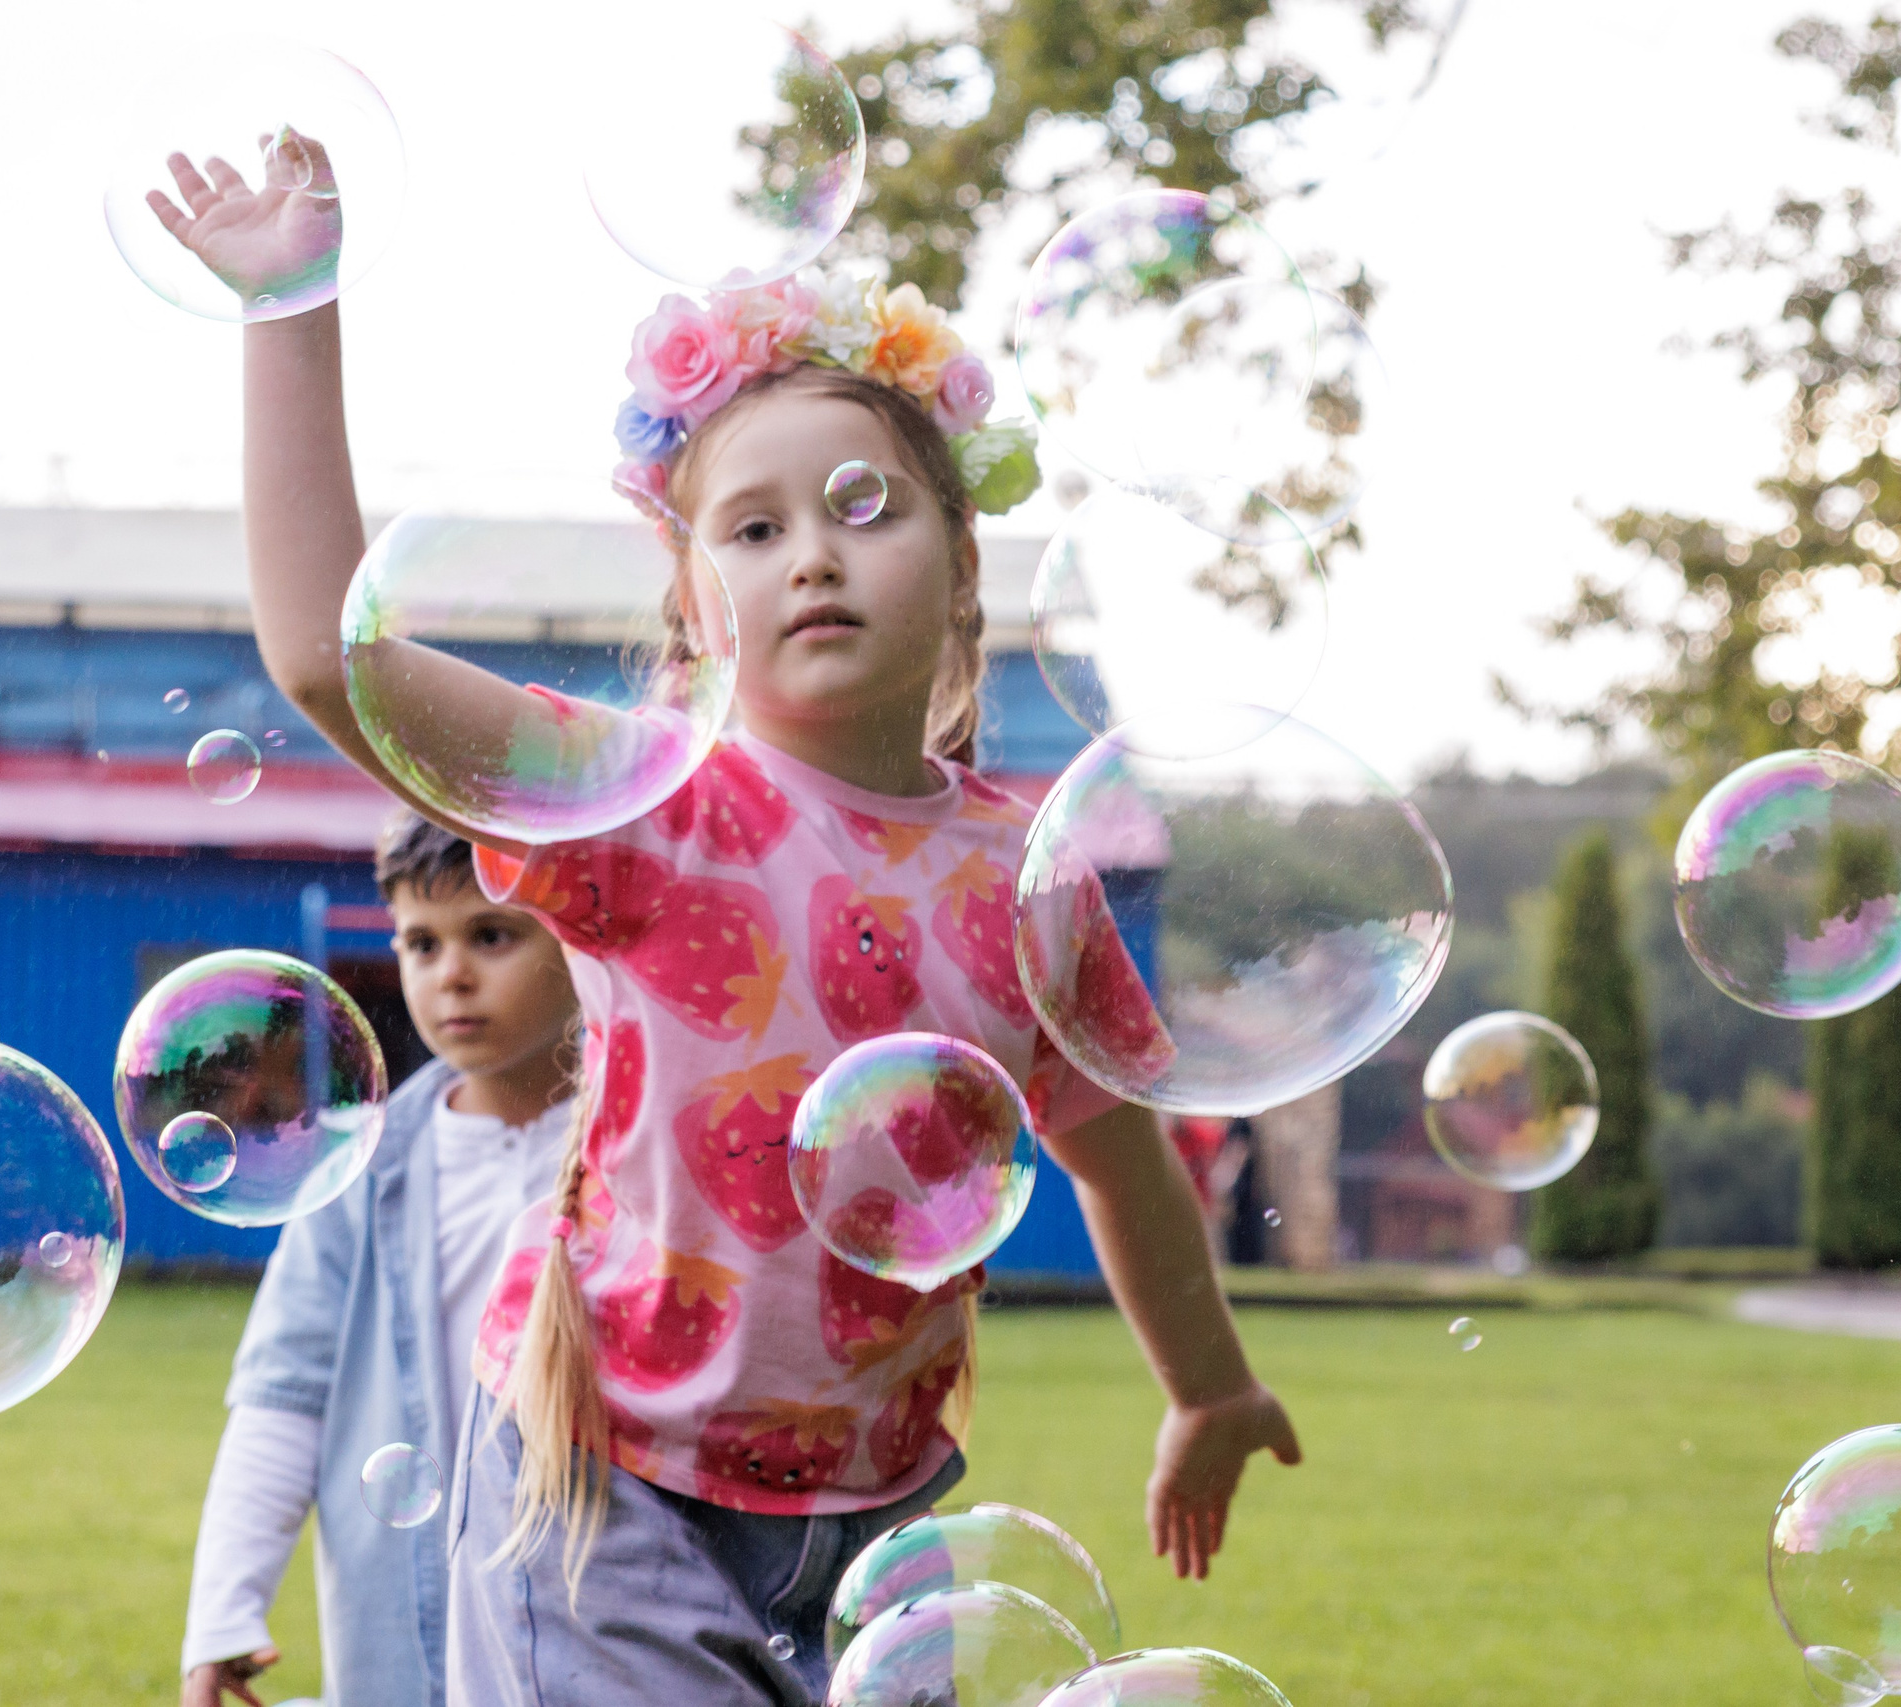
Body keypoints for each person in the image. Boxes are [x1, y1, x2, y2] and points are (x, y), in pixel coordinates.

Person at [149, 145, 1302, 1707]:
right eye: (749, 532)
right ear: (694, 611)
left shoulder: (1028, 878)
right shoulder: (647, 808)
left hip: (879, 1508)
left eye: (861, 507)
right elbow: (325, 658)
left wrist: (1211, 1385)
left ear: (964, 572)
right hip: (609, 1483)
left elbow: (1121, 1154)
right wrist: (291, 310)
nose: (811, 549)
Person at [179, 812, 580, 1707]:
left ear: (581, 934)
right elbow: (284, 1397)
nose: (452, 974)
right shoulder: (357, 1169)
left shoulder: (644, 1150)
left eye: (491, 933)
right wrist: (222, 1615)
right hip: (415, 1637)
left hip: (602, 1614)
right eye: (421, 942)